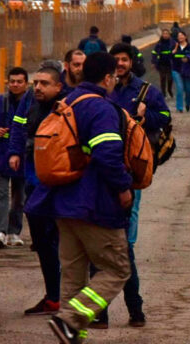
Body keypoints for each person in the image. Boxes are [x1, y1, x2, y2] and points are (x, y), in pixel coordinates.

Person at [48, 52, 133, 344]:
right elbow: (107, 154)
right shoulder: (101, 108)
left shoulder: (68, 102)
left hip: (64, 201)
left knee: (73, 274)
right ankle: (69, 319)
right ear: (107, 78)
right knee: (117, 269)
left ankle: (71, 337)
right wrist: (124, 187)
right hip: (94, 203)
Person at [90, 43, 170, 328]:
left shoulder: (146, 91)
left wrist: (147, 114)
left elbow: (166, 119)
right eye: (116, 60)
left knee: (120, 245)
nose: (120, 64)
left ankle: (125, 310)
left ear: (131, 62)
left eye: (124, 60)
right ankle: (117, 312)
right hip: (100, 173)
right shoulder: (102, 91)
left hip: (127, 174)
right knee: (112, 248)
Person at [8, 65, 65, 316]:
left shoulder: (68, 106)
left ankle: (70, 298)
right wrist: (13, 152)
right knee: (42, 243)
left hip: (60, 187)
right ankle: (53, 297)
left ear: (58, 86)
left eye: (44, 83)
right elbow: (18, 126)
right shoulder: (29, 101)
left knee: (65, 244)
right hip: (34, 183)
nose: (38, 87)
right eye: (36, 82)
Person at [0, 67, 29, 248]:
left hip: (23, 158)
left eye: (19, 82)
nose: (15, 85)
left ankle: (14, 232)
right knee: (1, 195)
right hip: (0, 156)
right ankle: (0, 232)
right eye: (12, 81)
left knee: (19, 197)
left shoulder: (32, 104)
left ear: (26, 84)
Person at [171, 31, 190, 113]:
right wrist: (172, 52)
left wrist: (189, 59)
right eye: (178, 36)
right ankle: (179, 107)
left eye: (181, 35)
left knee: (188, 90)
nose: (180, 37)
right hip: (176, 70)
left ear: (185, 37)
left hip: (188, 72)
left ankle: (188, 103)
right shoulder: (174, 47)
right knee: (180, 89)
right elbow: (169, 58)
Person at [151, 29, 175, 98]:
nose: (165, 35)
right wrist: (153, 61)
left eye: (166, 33)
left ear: (169, 35)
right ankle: (163, 93)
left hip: (170, 63)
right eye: (164, 33)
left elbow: (176, 52)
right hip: (161, 64)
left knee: (170, 78)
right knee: (163, 78)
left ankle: (169, 89)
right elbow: (154, 53)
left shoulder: (172, 43)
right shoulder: (159, 43)